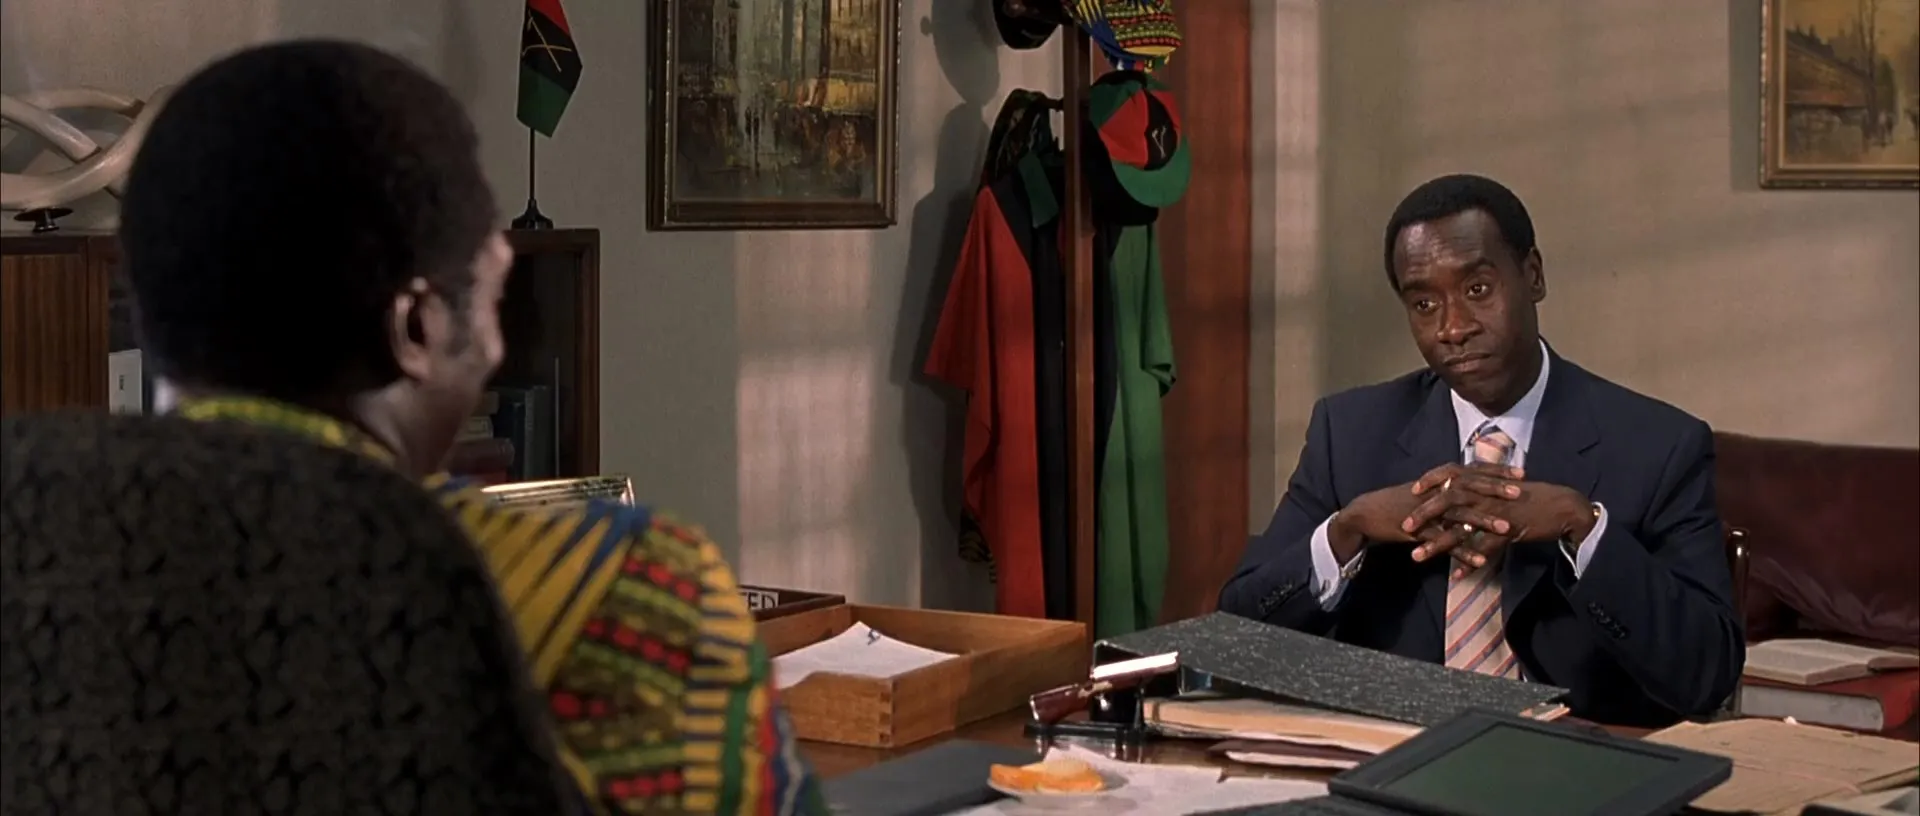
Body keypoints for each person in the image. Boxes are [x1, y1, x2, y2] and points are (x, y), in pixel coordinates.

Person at [119, 40, 823, 814]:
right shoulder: (627, 600)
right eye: (492, 295)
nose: (495, 347)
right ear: (417, 328)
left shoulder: (51, 545)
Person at [1219, 174, 1743, 727]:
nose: (1453, 328)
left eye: (1477, 290)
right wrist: (1347, 532)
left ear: (1533, 275)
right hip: (1395, 753)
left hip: (1575, 759)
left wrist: (1583, 529)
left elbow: (1708, 676)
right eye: (1425, 303)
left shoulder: (1658, 445)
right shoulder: (1350, 433)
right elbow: (1232, 640)